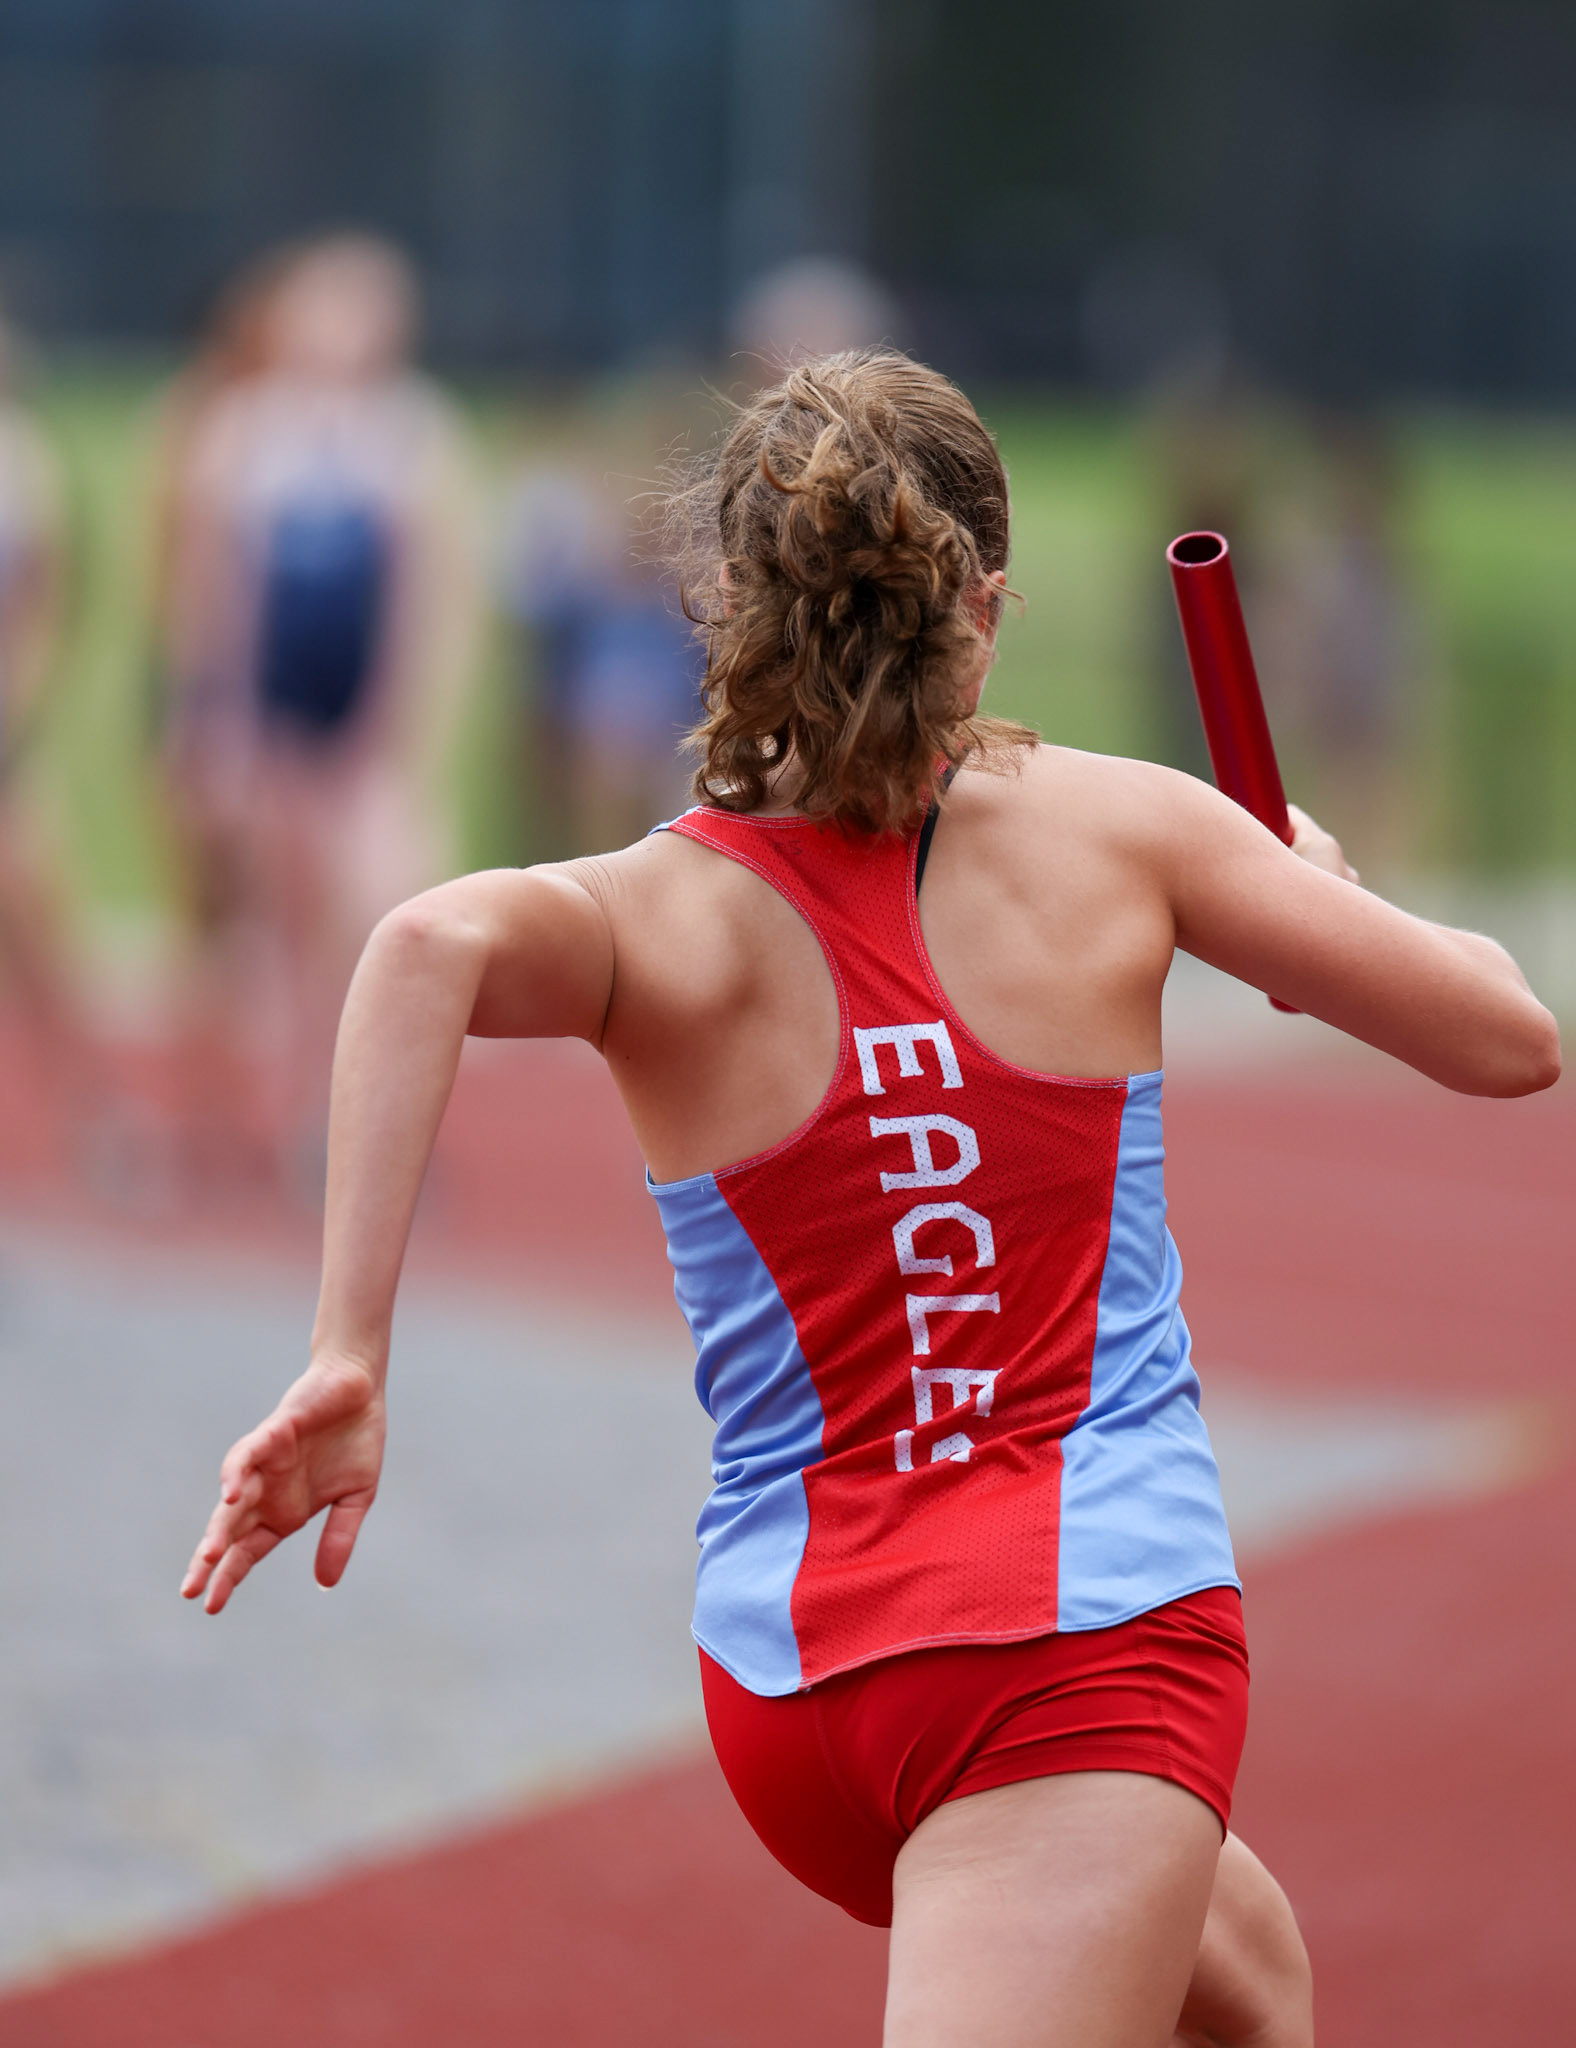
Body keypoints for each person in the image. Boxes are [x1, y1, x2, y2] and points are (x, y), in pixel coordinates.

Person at [182, 351, 1559, 2046]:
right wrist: (1322, 901)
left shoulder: (656, 914)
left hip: (794, 1685)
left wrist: (350, 1348)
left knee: (1255, 1989)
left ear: (732, 603)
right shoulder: (1133, 831)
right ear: (982, 604)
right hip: (1072, 1662)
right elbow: (1510, 1038)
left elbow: (419, 946)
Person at [158, 235, 479, 1189]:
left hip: (365, 720)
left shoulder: (414, 433)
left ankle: (372, 1123)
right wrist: (216, 716)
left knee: (381, 907)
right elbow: (214, 595)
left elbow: (433, 601)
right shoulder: (242, 431)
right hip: (274, 712)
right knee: (267, 924)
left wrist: (412, 739)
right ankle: (280, 1110)